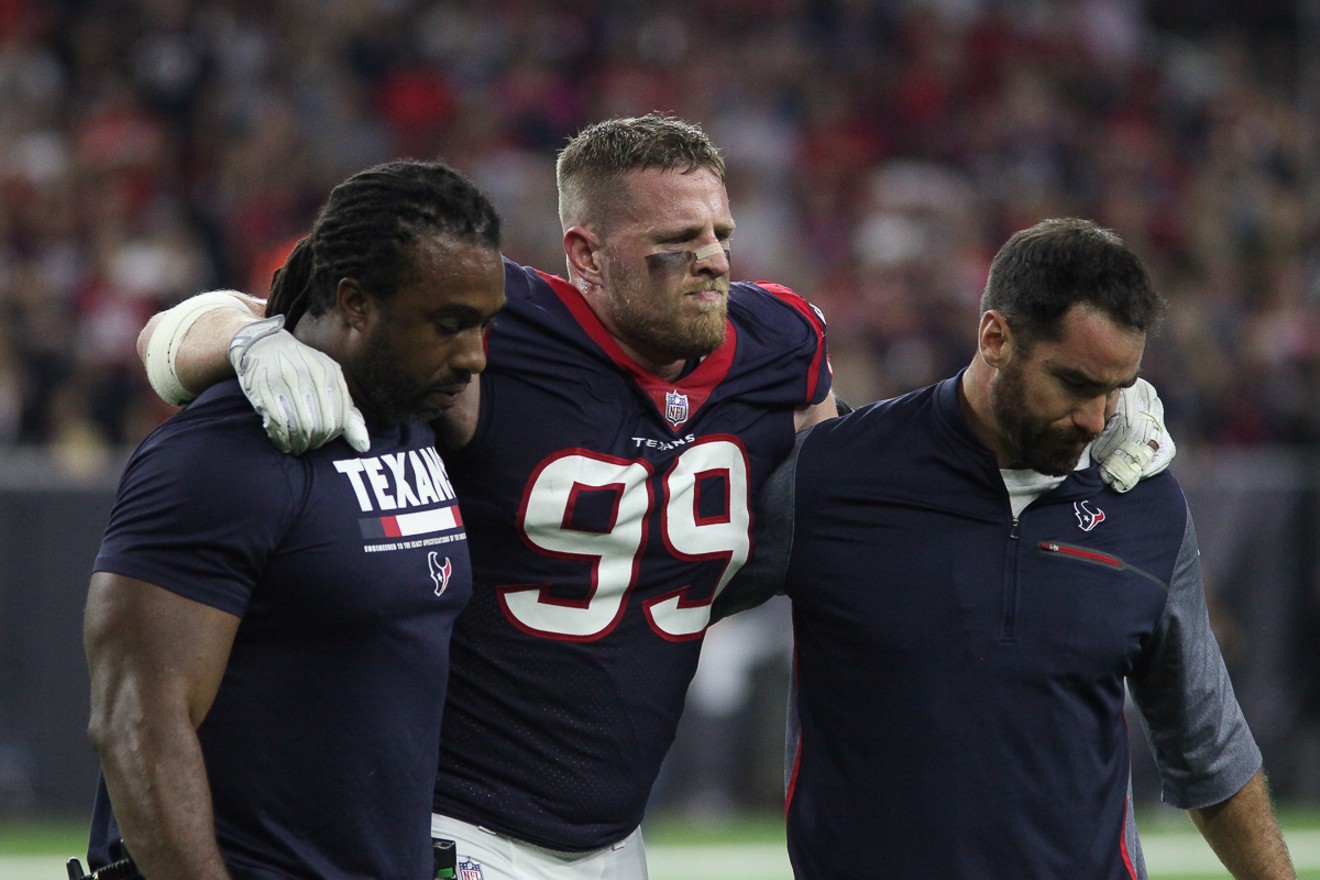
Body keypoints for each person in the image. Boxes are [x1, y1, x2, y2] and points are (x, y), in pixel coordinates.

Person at [132, 118, 1171, 878]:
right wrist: (242, 338)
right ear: (583, 254)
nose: (712, 261)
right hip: (458, 817)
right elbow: (206, 328)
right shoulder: (498, 323)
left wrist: (1089, 406)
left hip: (616, 833)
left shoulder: (779, 340)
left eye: (719, 232)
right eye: (674, 243)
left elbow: (878, 471)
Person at [713, 218, 1296, 879]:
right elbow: (663, 606)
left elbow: (1210, 748)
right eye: (1076, 383)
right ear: (994, 337)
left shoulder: (1144, 501)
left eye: (1117, 387)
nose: (1097, 419)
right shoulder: (833, 476)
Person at [82, 159, 506, 879]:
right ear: (355, 302)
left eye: (484, 325)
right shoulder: (219, 456)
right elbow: (139, 727)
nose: (474, 356)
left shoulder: (408, 408)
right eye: (450, 326)